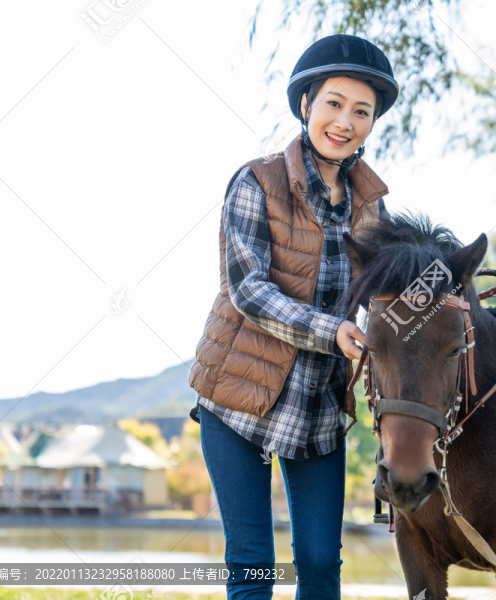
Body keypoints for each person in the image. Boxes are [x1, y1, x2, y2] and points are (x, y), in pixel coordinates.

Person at [187, 34, 399, 599]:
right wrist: (333, 331)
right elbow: (249, 292)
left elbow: (390, 294)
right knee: (252, 565)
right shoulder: (255, 182)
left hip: (318, 406)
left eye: (362, 112)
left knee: (319, 564)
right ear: (306, 104)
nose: (345, 122)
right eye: (334, 103)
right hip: (235, 397)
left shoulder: (373, 208)